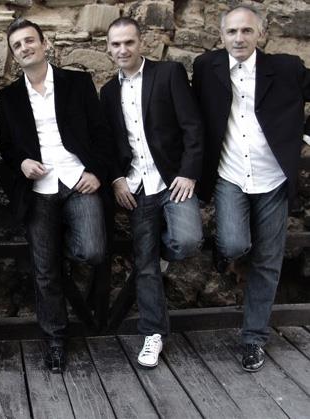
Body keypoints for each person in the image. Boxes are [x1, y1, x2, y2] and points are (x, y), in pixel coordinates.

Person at [193, 4, 310, 372]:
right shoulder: (206, 67)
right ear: (221, 35)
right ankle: (228, 250)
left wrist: (306, 135)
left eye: (246, 31)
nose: (239, 38)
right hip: (230, 174)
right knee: (233, 244)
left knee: (268, 262)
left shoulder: (287, 68)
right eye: (232, 32)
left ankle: (253, 339)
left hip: (273, 177)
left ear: (261, 33)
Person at [0, 18, 112, 373]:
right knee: (44, 271)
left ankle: (56, 243)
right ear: (14, 55)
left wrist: (96, 173)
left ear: (44, 43)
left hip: (78, 180)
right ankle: (55, 340)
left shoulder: (77, 83)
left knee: (92, 251)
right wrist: (22, 163)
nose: (24, 48)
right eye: (17, 45)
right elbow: (8, 150)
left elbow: (102, 132)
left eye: (29, 40)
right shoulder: (8, 97)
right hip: (38, 189)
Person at [100, 17, 204, 368]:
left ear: (140, 42)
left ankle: (157, 252)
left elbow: (193, 126)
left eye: (128, 42)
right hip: (137, 188)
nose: (122, 49)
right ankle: (153, 333)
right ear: (108, 48)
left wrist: (188, 172)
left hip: (173, 181)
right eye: (116, 44)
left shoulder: (169, 73)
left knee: (187, 241)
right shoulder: (108, 92)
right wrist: (117, 179)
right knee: (144, 264)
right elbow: (109, 144)